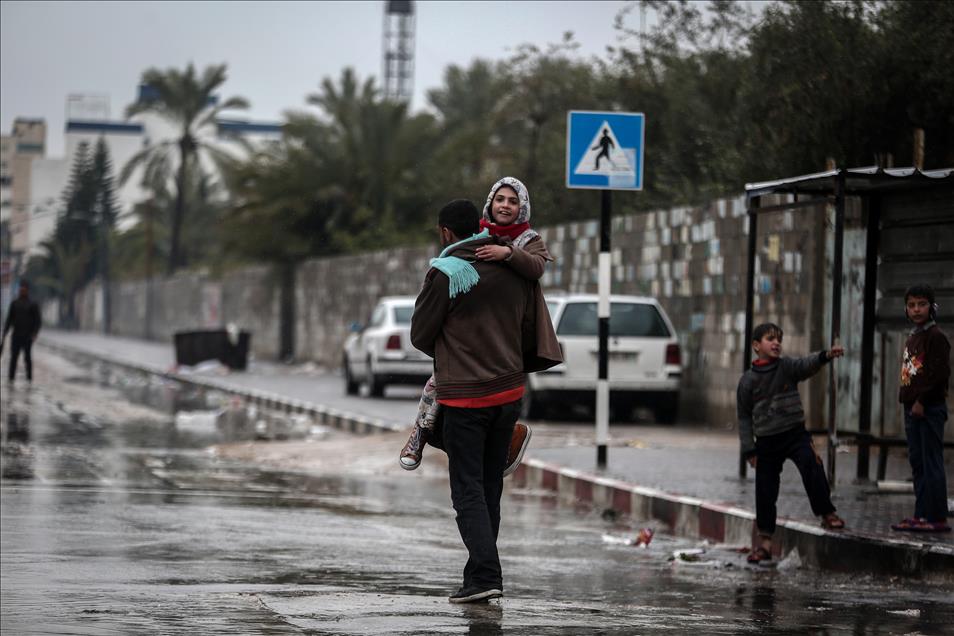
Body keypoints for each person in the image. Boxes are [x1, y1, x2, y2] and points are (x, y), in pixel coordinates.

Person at [410, 198, 559, 603]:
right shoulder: (513, 267)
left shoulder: (444, 274)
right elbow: (529, 322)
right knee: (489, 486)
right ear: (479, 223)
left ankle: (485, 576)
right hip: (509, 394)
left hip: (465, 399)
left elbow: (420, 335)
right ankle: (478, 574)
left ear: (445, 232)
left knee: (468, 490)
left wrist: (454, 347)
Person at [399, 176, 554, 472]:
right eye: (500, 199)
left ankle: (507, 436)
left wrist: (507, 253)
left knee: (473, 432)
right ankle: (420, 433)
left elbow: (536, 267)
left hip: (508, 340)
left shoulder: (528, 240)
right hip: (474, 352)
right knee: (438, 387)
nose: (505, 206)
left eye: (512, 201)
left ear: (523, 207)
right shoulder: (477, 240)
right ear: (489, 204)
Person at [736, 322, 846, 564]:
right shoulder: (748, 381)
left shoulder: (786, 367)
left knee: (813, 468)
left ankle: (827, 512)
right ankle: (765, 543)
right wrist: (749, 449)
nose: (776, 343)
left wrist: (825, 356)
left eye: (778, 339)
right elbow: (744, 418)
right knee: (765, 492)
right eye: (769, 339)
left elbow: (806, 365)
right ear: (756, 346)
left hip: (796, 435)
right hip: (766, 442)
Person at [891, 284, 951, 533]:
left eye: (922, 304)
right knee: (918, 462)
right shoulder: (913, 335)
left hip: (928, 409)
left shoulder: (935, 337)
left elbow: (938, 375)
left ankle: (936, 517)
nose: (916, 309)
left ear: (932, 307)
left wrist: (921, 402)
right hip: (912, 409)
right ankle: (921, 514)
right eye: (912, 305)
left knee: (931, 462)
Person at [2, 281, 42, 383]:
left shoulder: (33, 304)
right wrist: (5, 333)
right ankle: (11, 379)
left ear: (27, 290)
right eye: (21, 288)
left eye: (24, 289)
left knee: (27, 358)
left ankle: (29, 380)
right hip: (16, 336)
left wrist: (35, 333)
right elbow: (9, 320)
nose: (22, 290)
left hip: (27, 337)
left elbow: (38, 321)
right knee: (13, 358)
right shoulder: (14, 303)